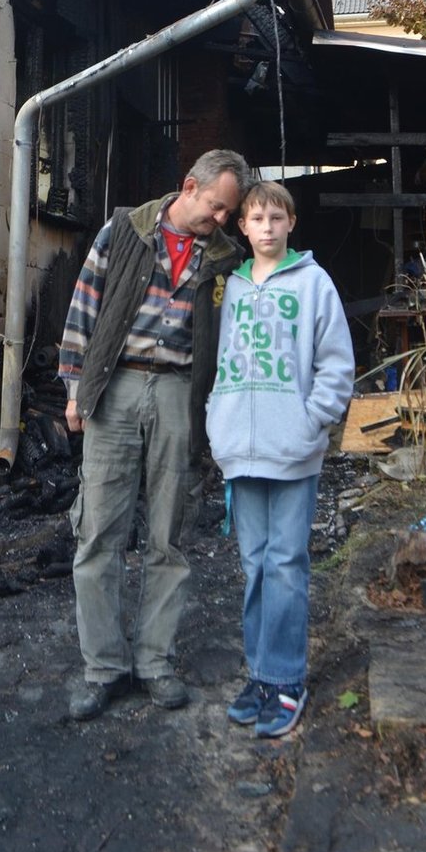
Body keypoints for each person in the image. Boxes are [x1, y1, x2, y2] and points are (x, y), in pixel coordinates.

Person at [59, 148, 252, 721]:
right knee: (99, 532)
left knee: (169, 533)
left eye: (229, 212)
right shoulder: (125, 230)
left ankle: (154, 662)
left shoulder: (226, 258)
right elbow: (83, 307)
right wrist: (75, 389)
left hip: (179, 393)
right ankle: (103, 668)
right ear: (188, 186)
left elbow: (235, 336)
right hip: (115, 386)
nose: (220, 219)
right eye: (216, 207)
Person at [205, 180, 354, 738]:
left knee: (287, 565)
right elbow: (222, 362)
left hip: (293, 452)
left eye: (276, 218)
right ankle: (260, 676)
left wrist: (311, 419)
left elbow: (337, 364)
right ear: (241, 227)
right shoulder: (235, 288)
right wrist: (216, 419)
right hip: (242, 453)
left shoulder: (314, 284)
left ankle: (288, 680)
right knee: (255, 566)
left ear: (291, 223)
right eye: (255, 219)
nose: (266, 228)